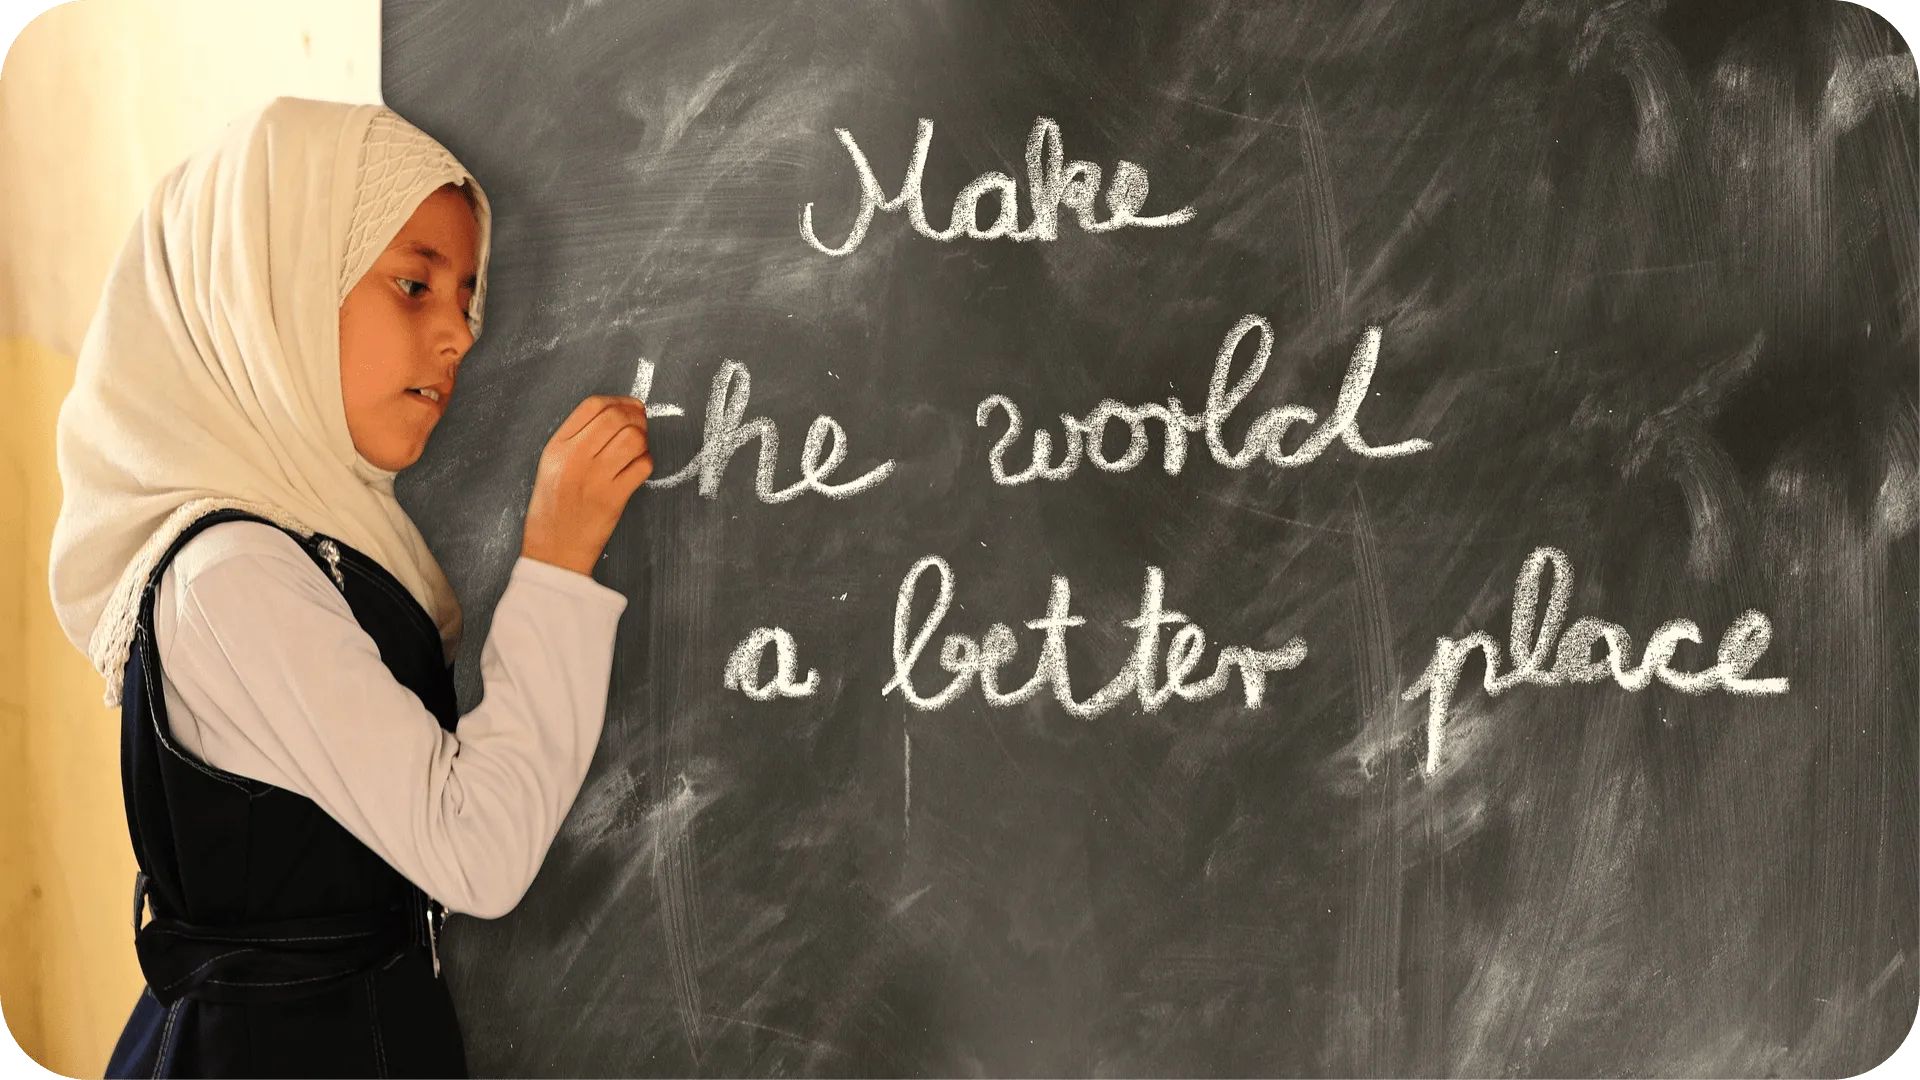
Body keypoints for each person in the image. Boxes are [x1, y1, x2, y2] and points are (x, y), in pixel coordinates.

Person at [46, 96, 652, 1079]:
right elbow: (476, 851)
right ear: (273, 288)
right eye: (413, 284)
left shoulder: (295, 550)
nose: (459, 334)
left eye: (465, 296)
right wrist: (557, 558)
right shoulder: (231, 578)